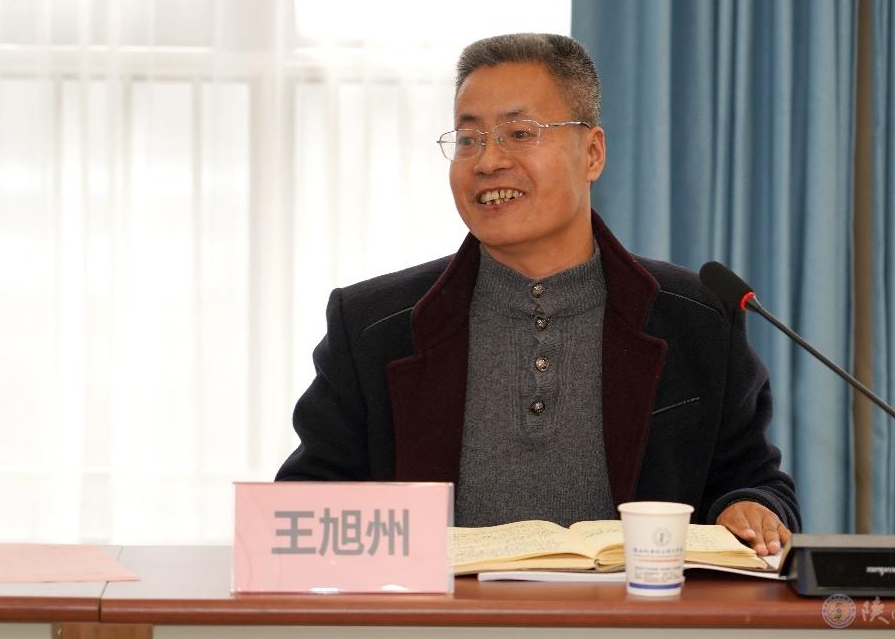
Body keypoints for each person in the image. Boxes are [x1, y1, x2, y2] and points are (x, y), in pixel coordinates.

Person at [277, 33, 799, 556]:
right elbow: (305, 505)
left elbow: (752, 478)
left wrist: (750, 506)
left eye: (519, 133)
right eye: (468, 139)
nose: (487, 161)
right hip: (442, 608)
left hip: (637, 606)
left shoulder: (696, 318)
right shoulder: (373, 326)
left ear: (592, 153)